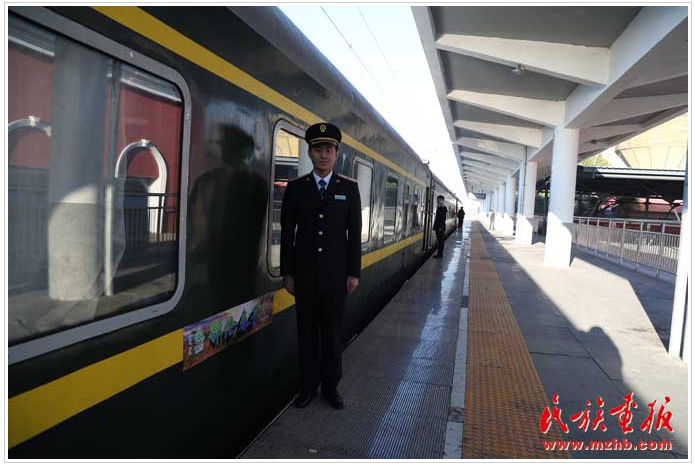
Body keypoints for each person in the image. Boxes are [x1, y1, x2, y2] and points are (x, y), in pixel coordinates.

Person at [280, 122, 361, 410]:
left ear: (336, 154)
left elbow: (354, 234)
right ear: (310, 153)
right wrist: (287, 272)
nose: (323, 154)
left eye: (328, 149)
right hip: (304, 277)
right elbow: (287, 233)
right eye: (318, 149)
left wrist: (353, 273)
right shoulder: (296, 188)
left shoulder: (349, 189)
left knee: (332, 337)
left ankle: (331, 388)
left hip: (336, 279)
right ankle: (307, 388)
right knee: (306, 335)